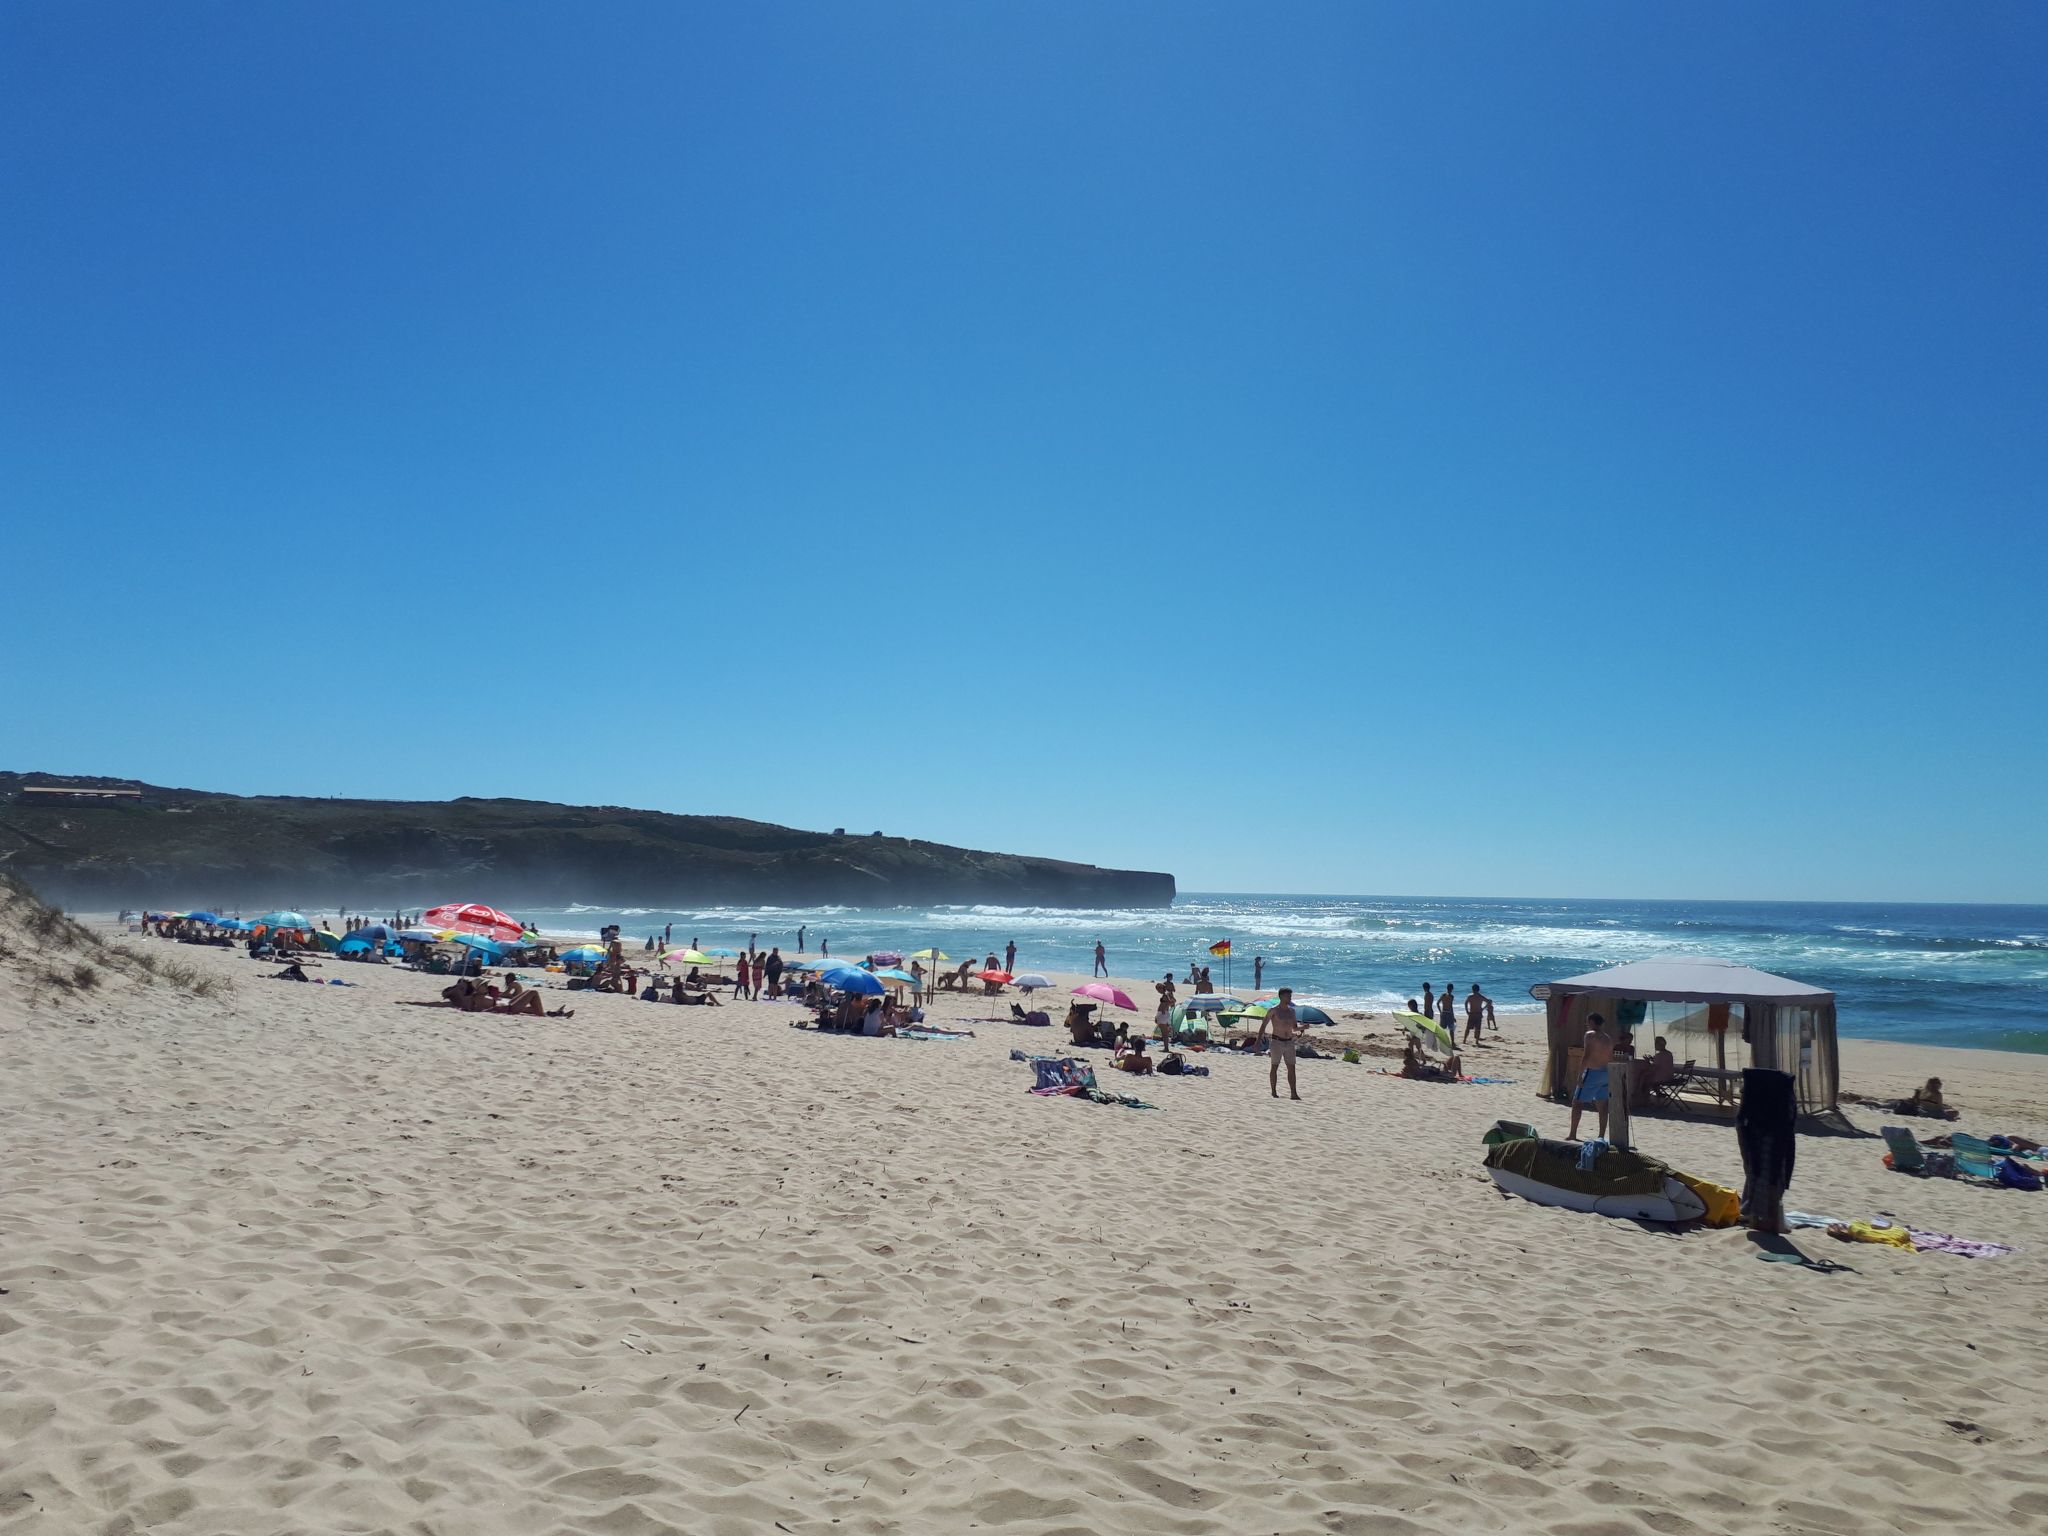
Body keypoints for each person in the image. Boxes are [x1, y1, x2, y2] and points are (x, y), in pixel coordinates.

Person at [1568, 1013, 1616, 1141]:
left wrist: (1580, 1075)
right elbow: (1610, 1057)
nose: (1587, 1024)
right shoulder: (1607, 1038)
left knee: (1577, 1102)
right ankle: (1601, 1135)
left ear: (1592, 1022)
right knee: (1602, 1105)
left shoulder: (1590, 1035)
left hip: (1593, 1072)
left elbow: (1586, 1055)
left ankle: (1573, 1134)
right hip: (1606, 1072)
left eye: (1588, 1022)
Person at [1256, 987, 1305, 1101]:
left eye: (1290, 996)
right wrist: (1257, 1041)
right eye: (1288, 996)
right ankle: (1273, 1091)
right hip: (1277, 1041)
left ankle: (1294, 1093)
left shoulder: (1292, 1011)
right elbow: (1263, 1025)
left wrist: (1302, 1028)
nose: (1290, 998)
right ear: (1281, 996)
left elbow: (1294, 1028)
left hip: (1289, 1042)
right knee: (1275, 1066)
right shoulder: (1273, 1010)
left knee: (1291, 1067)